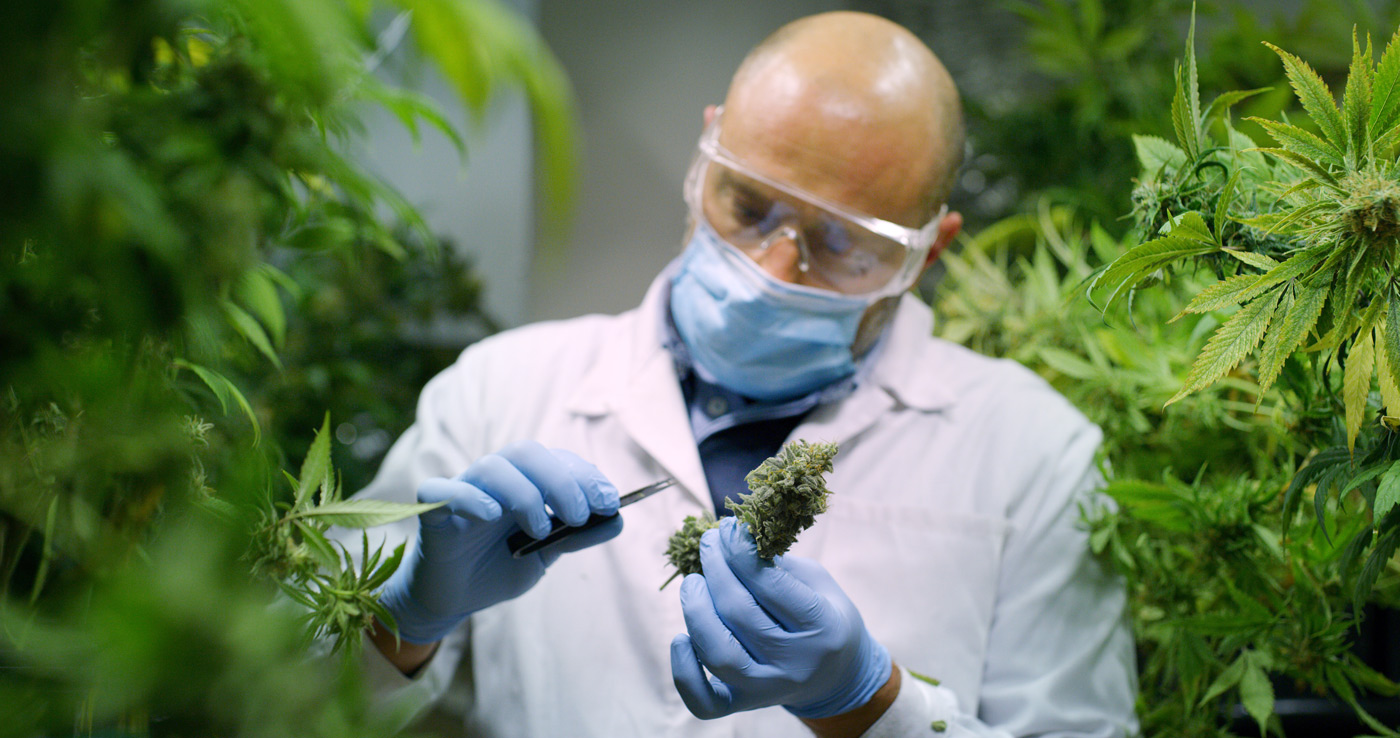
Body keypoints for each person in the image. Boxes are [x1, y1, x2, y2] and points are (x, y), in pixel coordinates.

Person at [342, 11, 1138, 738]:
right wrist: (402, 619)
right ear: (706, 156)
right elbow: (275, 700)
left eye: (841, 243)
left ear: (926, 251)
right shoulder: (497, 391)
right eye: (749, 205)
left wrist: (870, 705)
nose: (773, 266)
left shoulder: (1035, 454)